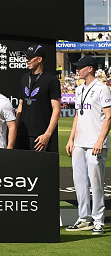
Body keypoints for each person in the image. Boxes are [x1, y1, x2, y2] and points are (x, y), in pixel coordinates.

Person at [65, 56, 110, 235]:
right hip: (79, 143)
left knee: (96, 182)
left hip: (95, 144)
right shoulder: (79, 89)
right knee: (79, 182)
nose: (77, 70)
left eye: (80, 67)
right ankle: (84, 218)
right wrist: (71, 139)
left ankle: (99, 220)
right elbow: (77, 116)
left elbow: (109, 116)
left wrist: (100, 140)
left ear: (90, 68)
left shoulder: (102, 89)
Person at [15, 45, 61, 152]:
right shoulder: (24, 78)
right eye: (26, 57)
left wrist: (47, 134)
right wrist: (16, 130)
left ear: (39, 59)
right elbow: (21, 105)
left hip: (40, 137)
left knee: (37, 168)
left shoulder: (52, 80)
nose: (27, 60)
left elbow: (56, 110)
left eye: (30, 57)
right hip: (22, 134)